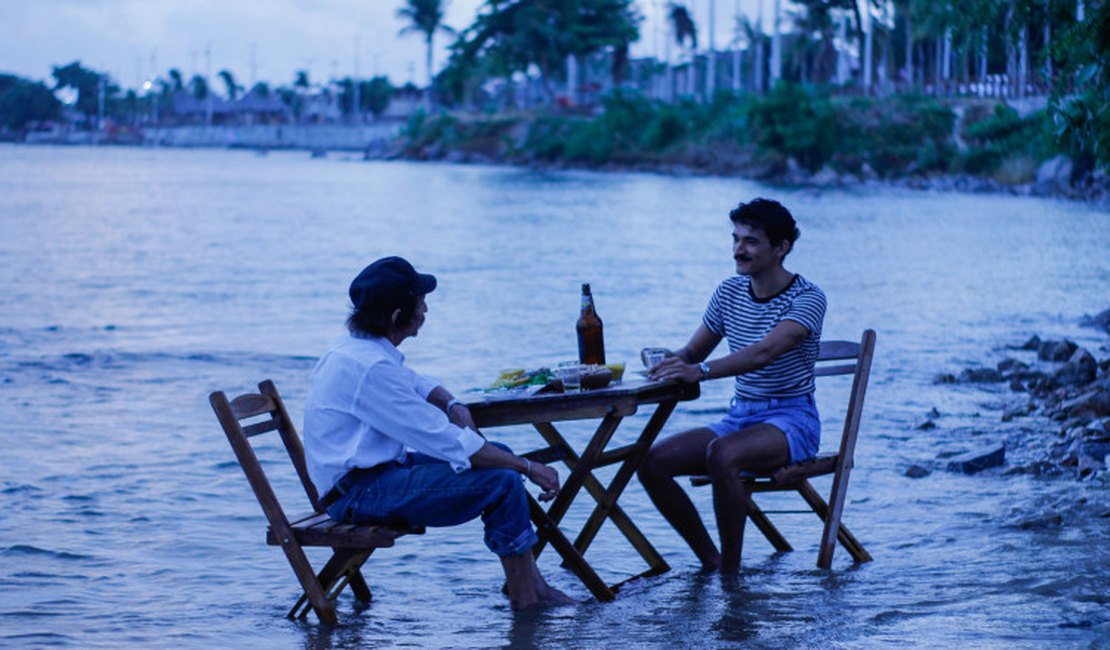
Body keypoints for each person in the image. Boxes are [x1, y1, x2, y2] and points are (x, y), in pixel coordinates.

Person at [302, 256, 574, 610]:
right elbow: (448, 442)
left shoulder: (357, 351)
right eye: (420, 302)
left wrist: (453, 405)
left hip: (371, 477)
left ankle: (533, 585)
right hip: (358, 494)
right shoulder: (368, 368)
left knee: (500, 456)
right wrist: (529, 467)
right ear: (399, 316)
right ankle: (526, 599)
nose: (426, 309)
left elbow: (416, 382)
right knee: (502, 479)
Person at [637, 198, 826, 574]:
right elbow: (692, 351)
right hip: (740, 417)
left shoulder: (808, 297)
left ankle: (731, 576)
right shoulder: (729, 293)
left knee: (722, 453)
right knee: (651, 462)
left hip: (792, 421)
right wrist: (661, 365)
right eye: (736, 239)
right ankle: (712, 560)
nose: (739, 250)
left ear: (781, 248)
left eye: (752, 241)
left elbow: (765, 352)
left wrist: (702, 372)